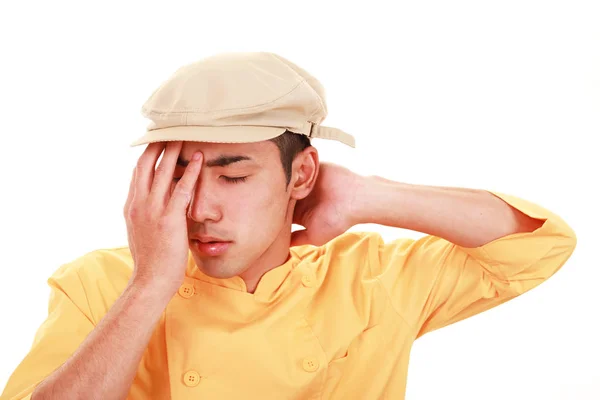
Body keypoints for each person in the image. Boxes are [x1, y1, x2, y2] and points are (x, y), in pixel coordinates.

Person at [1, 52, 576, 400]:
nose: (200, 209)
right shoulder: (100, 283)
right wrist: (151, 284)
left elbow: (539, 247)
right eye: (179, 176)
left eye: (232, 175)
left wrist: (368, 195)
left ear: (300, 173)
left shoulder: (372, 280)